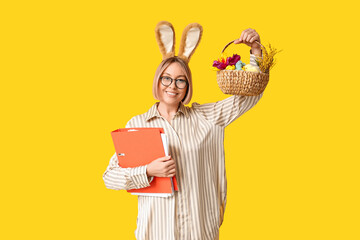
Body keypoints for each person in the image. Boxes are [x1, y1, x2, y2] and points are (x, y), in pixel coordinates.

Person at [103, 21, 264, 240]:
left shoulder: (207, 117)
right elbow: (110, 177)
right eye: (167, 78)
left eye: (181, 81)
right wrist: (147, 171)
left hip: (199, 231)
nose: (172, 86)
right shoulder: (137, 124)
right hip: (156, 233)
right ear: (158, 80)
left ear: (188, 86)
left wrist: (255, 51)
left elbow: (249, 97)